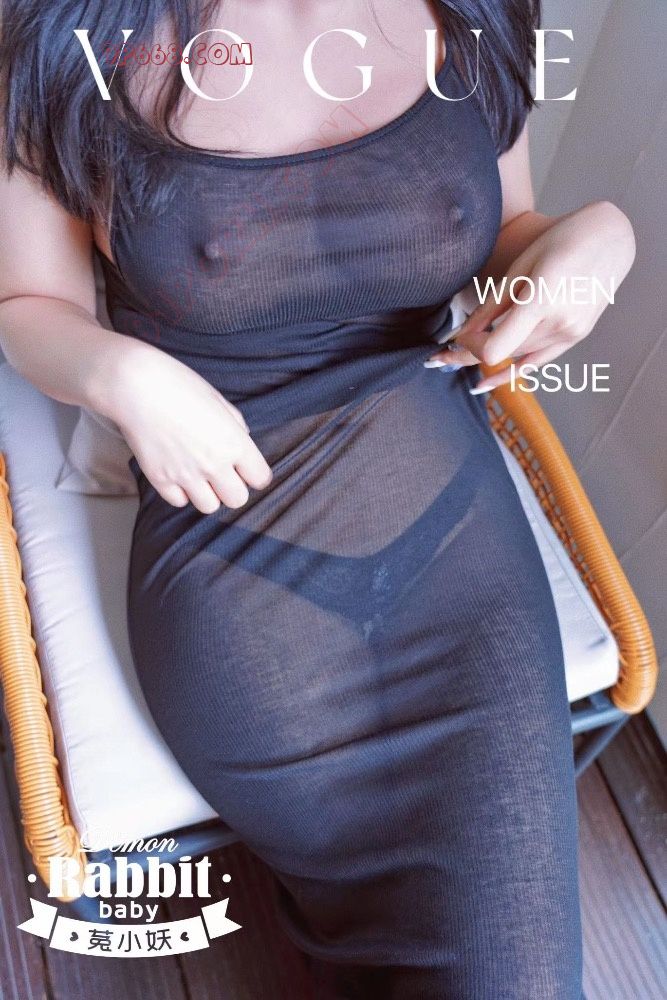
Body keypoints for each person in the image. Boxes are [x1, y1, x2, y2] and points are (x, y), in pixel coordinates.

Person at [0, 1, 635, 996]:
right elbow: (29, 306)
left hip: (451, 532)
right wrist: (119, 375)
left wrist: (596, 238)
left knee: (515, 969)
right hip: (234, 544)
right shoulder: (70, 31)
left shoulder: (479, 14)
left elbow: (507, 227)